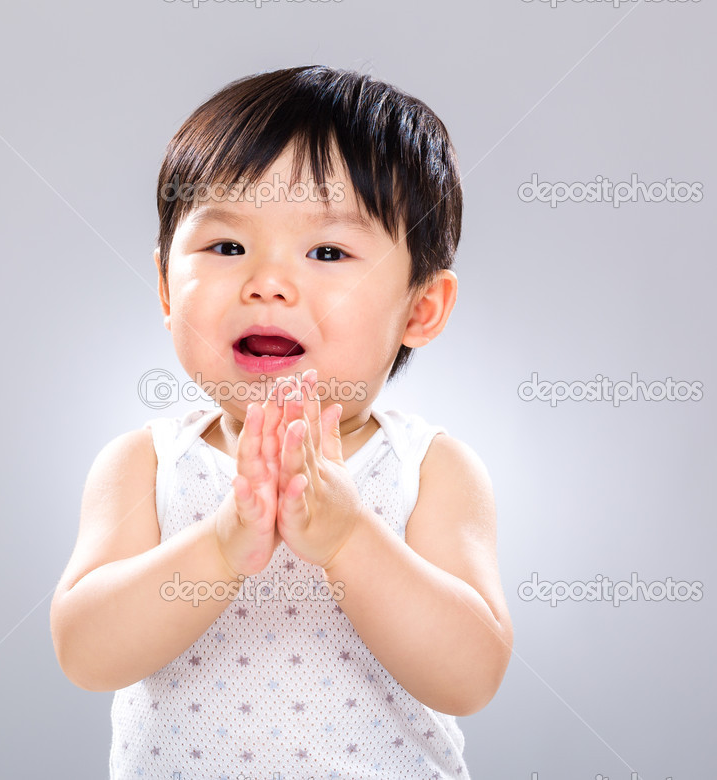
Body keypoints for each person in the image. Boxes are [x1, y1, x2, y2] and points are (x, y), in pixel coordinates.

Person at [51, 65, 513, 779]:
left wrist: (349, 537)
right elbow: (86, 654)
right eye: (227, 247)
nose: (267, 281)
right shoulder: (145, 464)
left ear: (420, 309)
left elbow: (469, 676)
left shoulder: (430, 470)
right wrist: (220, 545)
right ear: (167, 287)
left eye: (327, 252)